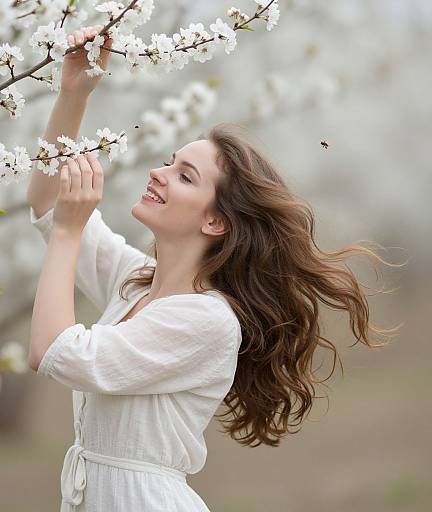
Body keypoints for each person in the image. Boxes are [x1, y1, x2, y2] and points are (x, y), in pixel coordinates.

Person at [26, 25, 399, 512]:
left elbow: (53, 353)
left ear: (216, 220)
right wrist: (73, 93)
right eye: (169, 161)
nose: (158, 173)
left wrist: (68, 234)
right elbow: (47, 203)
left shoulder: (208, 320)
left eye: (185, 175)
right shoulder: (136, 282)